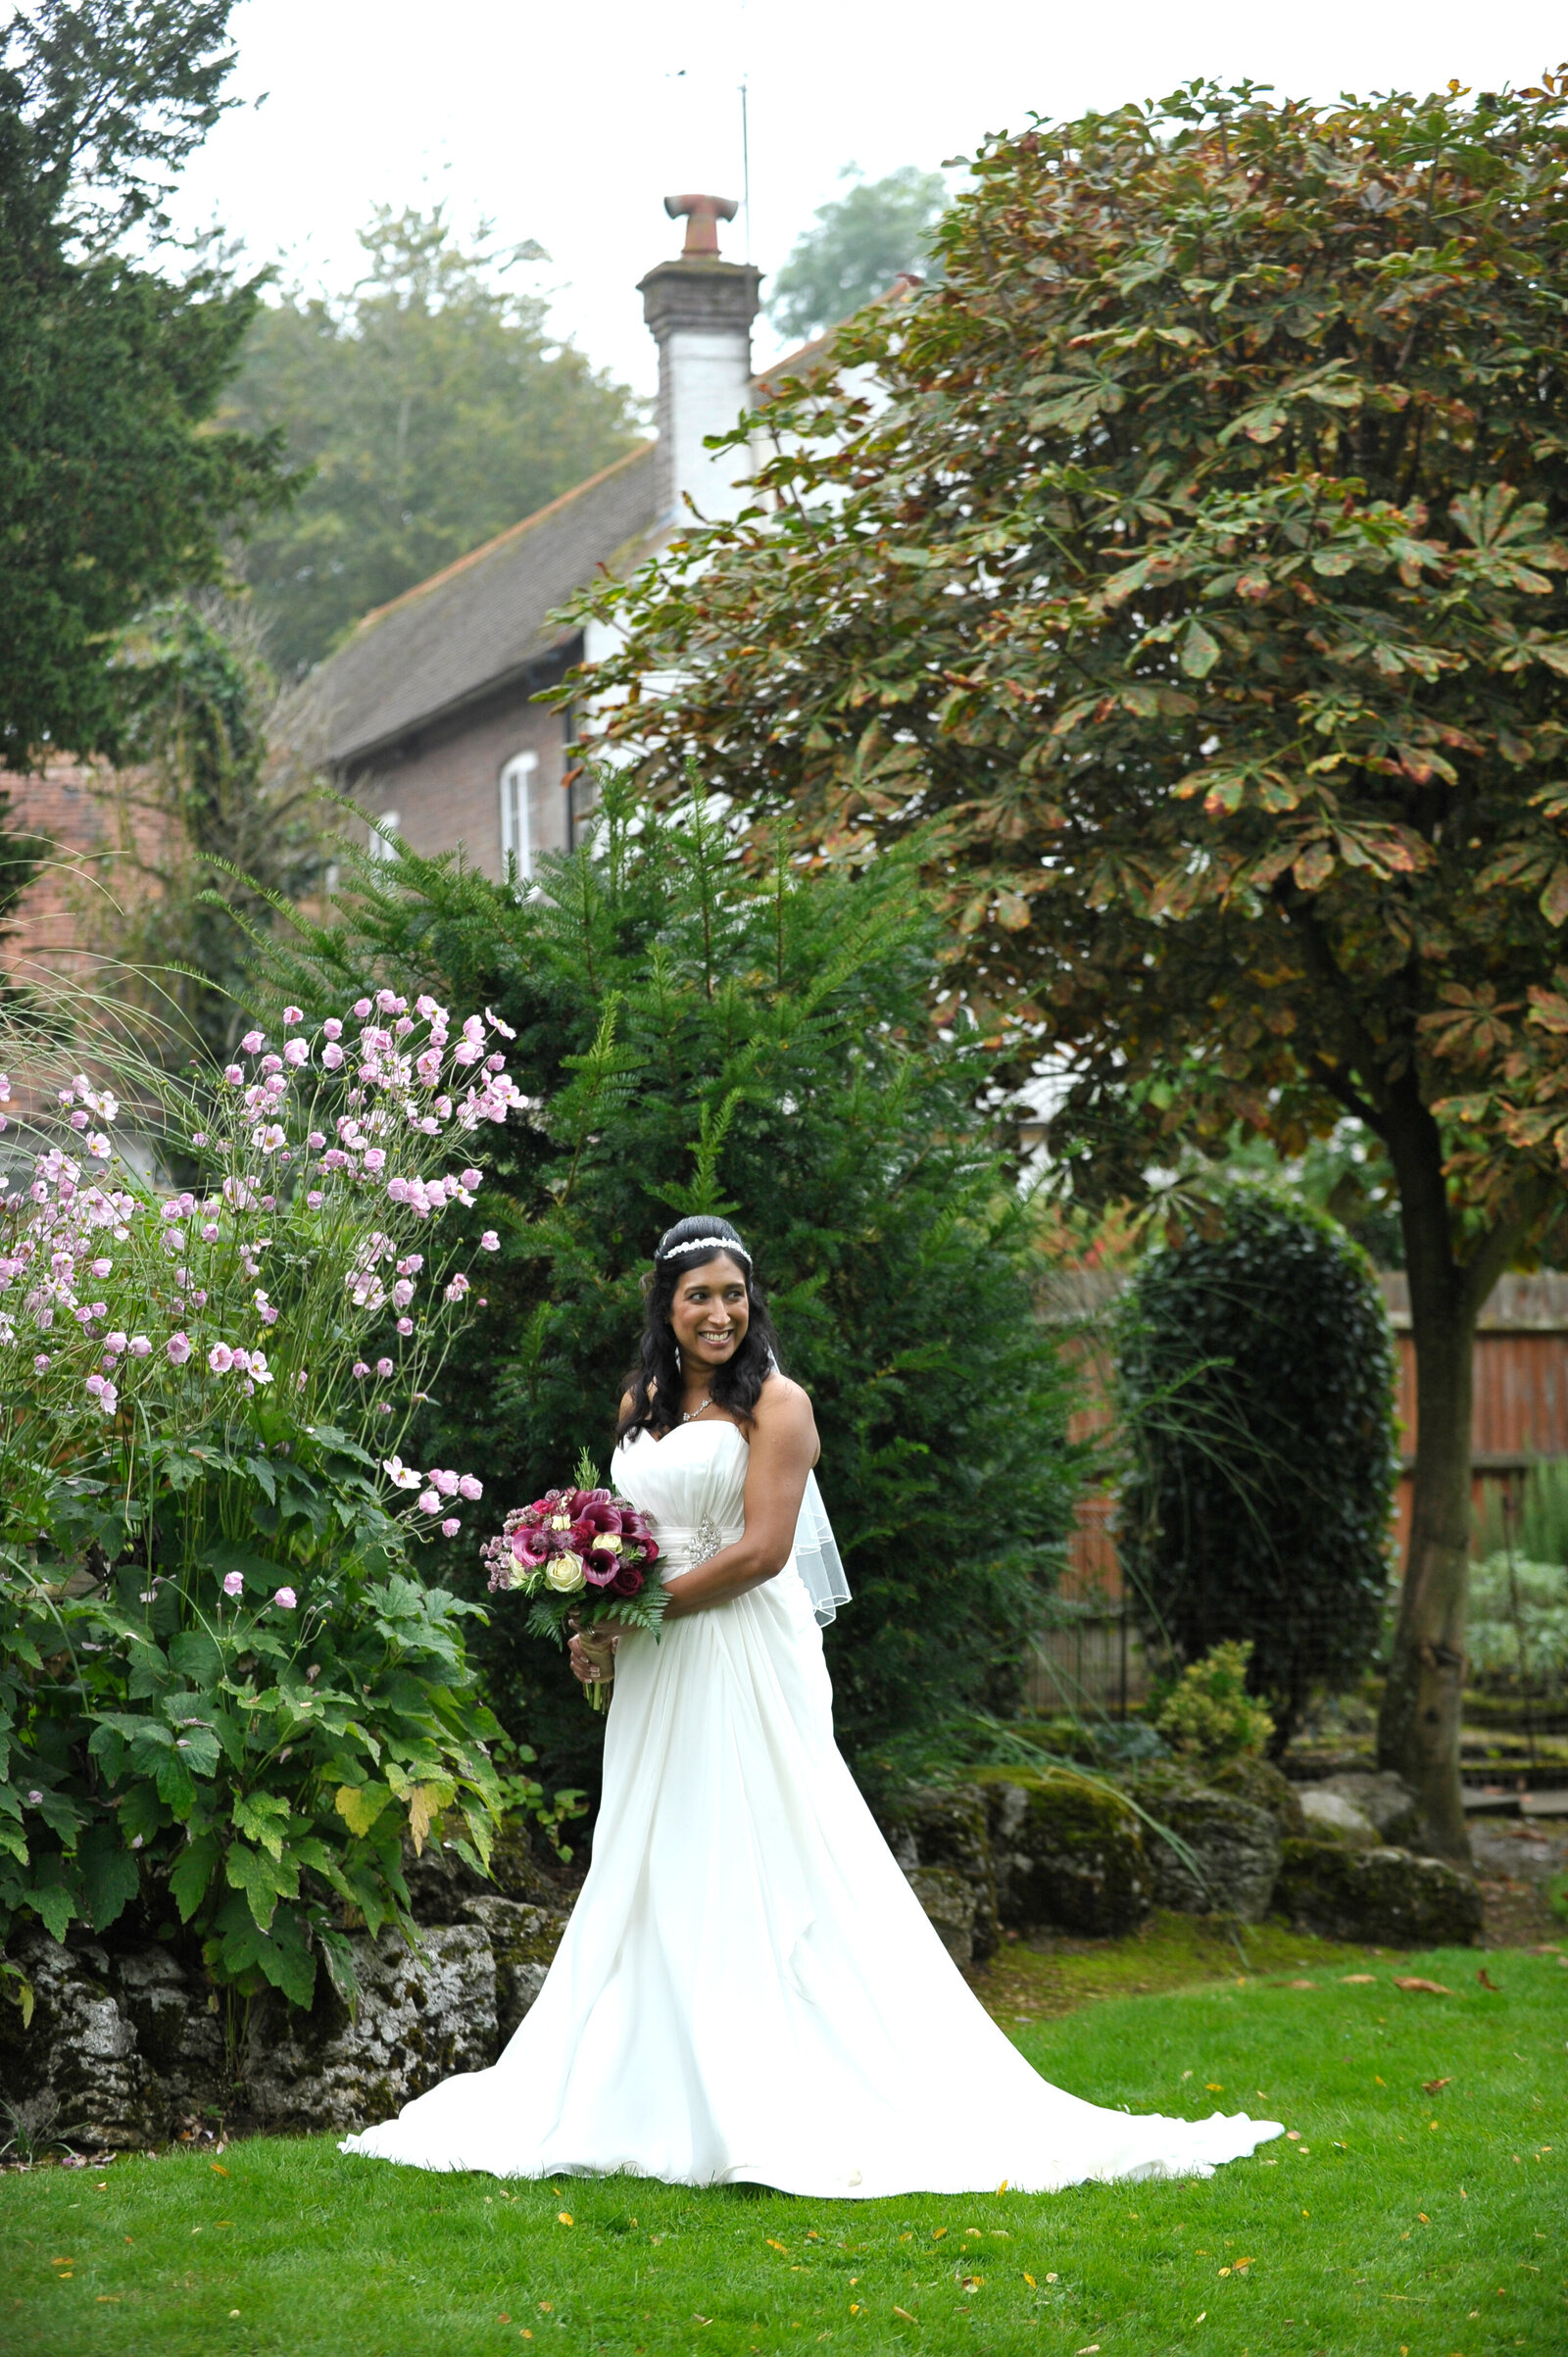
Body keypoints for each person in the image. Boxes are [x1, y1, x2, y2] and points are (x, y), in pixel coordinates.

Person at [341, 1216, 1283, 2195]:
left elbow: (759, 1552)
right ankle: (647, 2076)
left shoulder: (778, 1405)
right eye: (698, 1293)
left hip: (738, 1650)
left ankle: (758, 2080)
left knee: (746, 1837)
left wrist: (639, 1609)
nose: (718, 1311)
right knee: (654, 1845)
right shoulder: (640, 1402)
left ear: (753, 1305)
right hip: (657, 1659)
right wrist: (597, 1618)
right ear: (665, 1303)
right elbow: (641, 1535)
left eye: (733, 1293)